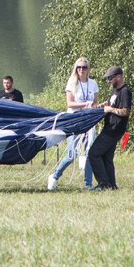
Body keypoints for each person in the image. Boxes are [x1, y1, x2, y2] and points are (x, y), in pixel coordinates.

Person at [48, 57, 98, 190]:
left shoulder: (93, 83)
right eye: (79, 67)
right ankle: (55, 175)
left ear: (88, 69)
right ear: (76, 69)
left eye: (84, 67)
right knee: (72, 154)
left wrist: (94, 107)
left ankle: (88, 184)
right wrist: (85, 104)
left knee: (89, 152)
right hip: (73, 119)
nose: (81, 69)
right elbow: (69, 103)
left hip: (88, 119)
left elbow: (95, 102)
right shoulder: (72, 82)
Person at [87, 65, 131, 190]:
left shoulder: (125, 91)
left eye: (110, 78)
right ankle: (112, 184)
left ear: (118, 77)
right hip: (109, 127)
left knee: (94, 153)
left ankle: (103, 183)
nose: (108, 81)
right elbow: (109, 103)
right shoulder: (115, 90)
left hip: (114, 129)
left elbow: (125, 111)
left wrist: (110, 110)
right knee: (106, 157)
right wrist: (97, 107)